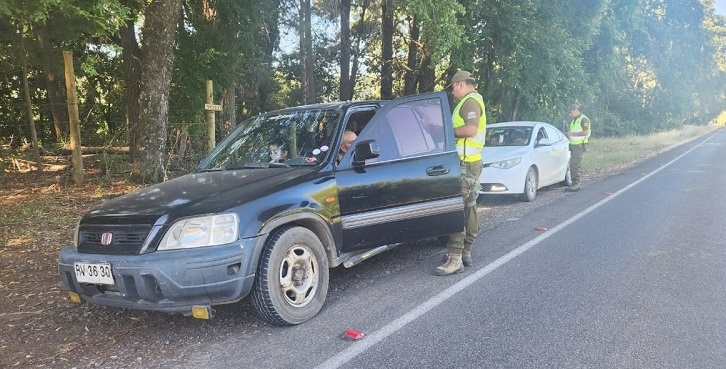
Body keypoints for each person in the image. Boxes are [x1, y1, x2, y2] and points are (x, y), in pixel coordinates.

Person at [435, 70, 487, 276]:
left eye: (453, 88)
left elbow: (470, 130)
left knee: (458, 208)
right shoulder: (472, 101)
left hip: (466, 164)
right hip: (471, 163)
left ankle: (455, 257)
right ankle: (465, 251)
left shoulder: (470, 102)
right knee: (469, 207)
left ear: (460, 85)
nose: (453, 92)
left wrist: (446, 131)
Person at [564, 104, 591, 192]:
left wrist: (572, 134)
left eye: (571, 112)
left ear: (575, 110)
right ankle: (574, 183)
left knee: (574, 164)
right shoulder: (575, 120)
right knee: (574, 164)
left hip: (579, 145)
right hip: (574, 145)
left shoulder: (584, 119)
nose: (570, 115)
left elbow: (585, 132)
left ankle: (576, 184)